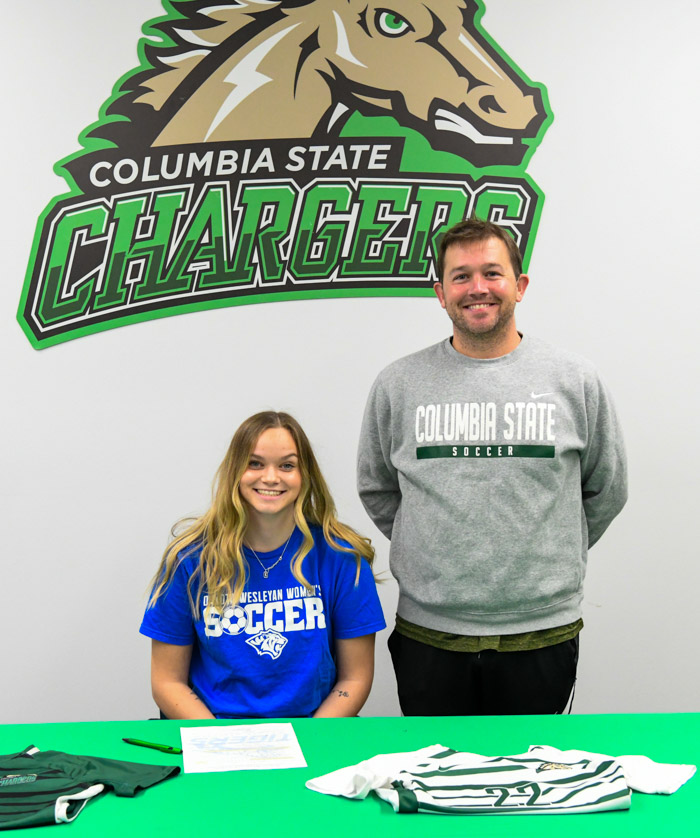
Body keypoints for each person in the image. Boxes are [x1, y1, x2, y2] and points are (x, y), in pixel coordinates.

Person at [357, 217, 627, 716]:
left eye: (492, 273)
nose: (477, 288)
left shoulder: (574, 380)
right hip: (430, 633)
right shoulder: (399, 384)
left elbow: (606, 488)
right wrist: (434, 549)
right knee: (436, 783)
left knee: (533, 784)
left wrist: (547, 548)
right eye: (460, 276)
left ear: (519, 286)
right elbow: (377, 488)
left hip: (540, 631)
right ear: (440, 292)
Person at [141, 411, 385, 719]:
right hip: (213, 731)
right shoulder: (189, 560)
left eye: (287, 465)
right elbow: (166, 682)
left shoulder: (342, 557)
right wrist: (221, 744)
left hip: (313, 731)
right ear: (235, 471)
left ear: (305, 475)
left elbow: (355, 678)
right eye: (255, 463)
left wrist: (311, 741)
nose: (270, 477)